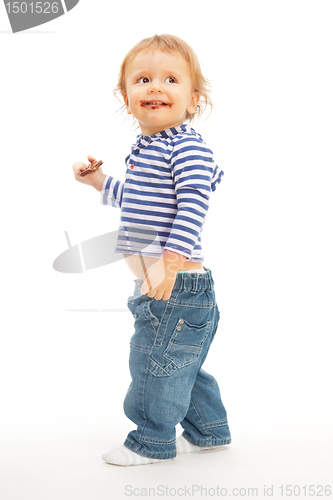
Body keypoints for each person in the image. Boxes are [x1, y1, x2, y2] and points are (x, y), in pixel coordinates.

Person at [72, 34, 231, 466]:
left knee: (152, 366)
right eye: (143, 79)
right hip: (164, 284)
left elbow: (193, 205)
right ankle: (210, 430)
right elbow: (139, 201)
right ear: (127, 98)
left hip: (174, 285)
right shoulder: (147, 149)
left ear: (193, 99)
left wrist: (170, 263)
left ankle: (151, 441)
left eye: (171, 79)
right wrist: (100, 183)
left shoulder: (186, 146)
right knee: (181, 364)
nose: (155, 87)